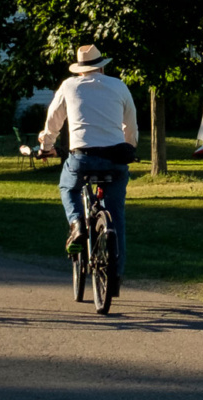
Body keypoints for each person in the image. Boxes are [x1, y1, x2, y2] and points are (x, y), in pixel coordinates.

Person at [37, 45, 138, 295]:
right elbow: (131, 125)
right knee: (117, 215)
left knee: (67, 186)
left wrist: (46, 146)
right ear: (102, 65)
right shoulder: (119, 86)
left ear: (80, 69)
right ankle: (116, 275)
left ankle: (76, 224)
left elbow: (54, 120)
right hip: (115, 159)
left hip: (82, 159)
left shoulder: (69, 86)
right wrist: (130, 147)